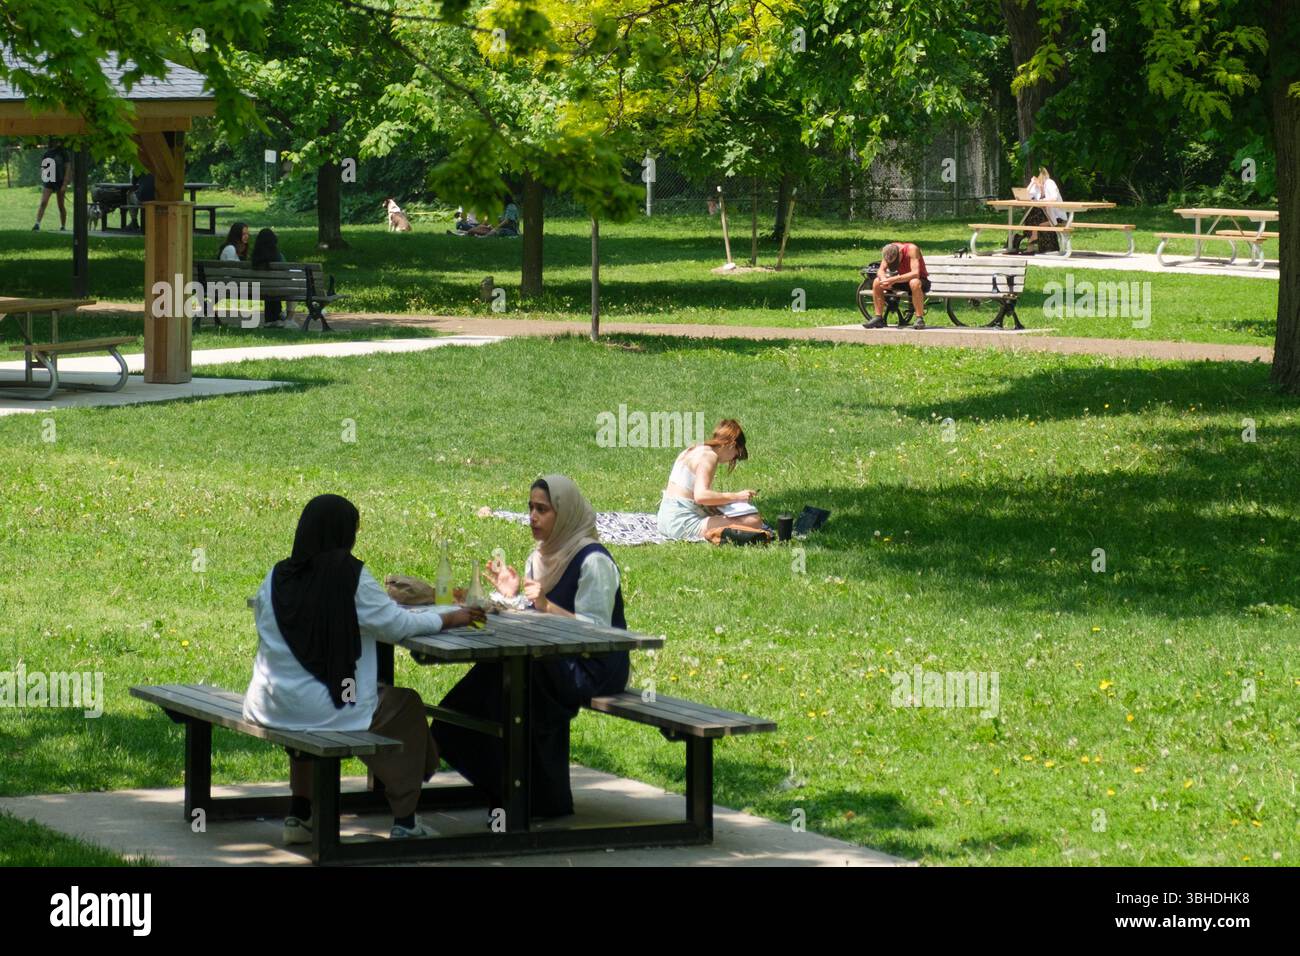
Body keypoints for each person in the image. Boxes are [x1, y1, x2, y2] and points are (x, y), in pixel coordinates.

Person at [243, 494, 485, 844]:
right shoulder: (349, 576)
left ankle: (300, 813)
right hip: (329, 706)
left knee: (314, 708)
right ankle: (405, 821)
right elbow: (396, 625)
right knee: (406, 708)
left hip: (272, 701)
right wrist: (450, 618)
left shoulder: (276, 576)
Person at [432, 475, 629, 818]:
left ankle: (526, 795)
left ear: (564, 514)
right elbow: (535, 618)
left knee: (514, 683)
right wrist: (513, 597)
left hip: (592, 667)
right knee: (497, 676)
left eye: (543, 510)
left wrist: (545, 606)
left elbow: (598, 634)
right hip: (549, 657)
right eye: (530, 508)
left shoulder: (594, 561)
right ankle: (508, 786)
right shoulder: (539, 557)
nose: (533, 517)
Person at [656, 418, 763, 541]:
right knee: (753, 521)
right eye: (737, 454)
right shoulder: (709, 456)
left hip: (665, 519)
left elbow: (690, 494)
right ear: (732, 445)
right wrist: (737, 496)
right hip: (680, 525)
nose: (733, 458)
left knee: (727, 515)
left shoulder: (694, 449)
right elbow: (701, 496)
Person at [862, 241, 931, 329]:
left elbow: (915, 274)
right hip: (902, 281)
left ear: (900, 252)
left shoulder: (912, 249)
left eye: (895, 262)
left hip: (921, 281)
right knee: (877, 282)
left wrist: (893, 279)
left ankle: (919, 319)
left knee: (914, 282)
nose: (894, 265)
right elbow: (881, 270)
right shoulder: (889, 251)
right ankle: (878, 318)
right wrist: (884, 280)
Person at [251, 227, 296, 327]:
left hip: (259, 289)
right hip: (278, 289)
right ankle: (289, 318)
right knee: (294, 286)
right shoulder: (278, 256)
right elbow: (287, 275)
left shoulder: (254, 258)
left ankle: (272, 319)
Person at [1013, 167, 1064, 254]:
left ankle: (1031, 241)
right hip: (1045, 214)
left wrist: (1041, 189)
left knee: (1035, 214)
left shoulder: (1049, 183)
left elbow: (1054, 198)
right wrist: (1032, 183)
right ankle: (1031, 240)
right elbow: (1025, 196)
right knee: (1032, 214)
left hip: (1055, 216)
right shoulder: (1035, 185)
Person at [32, 141, 72, 232]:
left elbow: (68, 168)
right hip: (49, 181)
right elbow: (43, 167)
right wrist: (44, 177)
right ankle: (37, 224)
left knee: (61, 205)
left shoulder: (63, 153)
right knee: (43, 202)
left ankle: (63, 226)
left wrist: (64, 184)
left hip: (60, 181)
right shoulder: (47, 153)